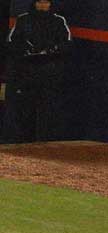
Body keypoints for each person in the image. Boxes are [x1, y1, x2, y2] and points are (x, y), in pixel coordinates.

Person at [3, 0, 71, 143]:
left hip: (49, 72)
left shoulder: (59, 21)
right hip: (28, 72)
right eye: (40, 2)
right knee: (25, 109)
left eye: (46, 2)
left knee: (48, 109)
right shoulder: (23, 19)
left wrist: (51, 50)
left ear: (50, 4)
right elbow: (11, 41)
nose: (42, 6)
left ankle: (45, 142)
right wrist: (26, 50)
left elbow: (67, 43)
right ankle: (24, 142)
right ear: (34, 3)